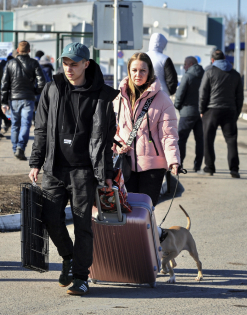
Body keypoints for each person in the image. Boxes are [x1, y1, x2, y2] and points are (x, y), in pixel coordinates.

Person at [29, 42, 118, 296]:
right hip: (54, 168)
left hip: (84, 171)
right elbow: (41, 129)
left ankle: (81, 277)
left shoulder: (101, 96)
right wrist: (36, 161)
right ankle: (68, 257)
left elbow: (105, 140)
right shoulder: (52, 89)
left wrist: (107, 174)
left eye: (75, 64)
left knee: (82, 225)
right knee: (49, 218)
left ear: (86, 64)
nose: (69, 68)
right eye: (66, 63)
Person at [114, 52, 180, 206]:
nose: (138, 74)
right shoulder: (119, 97)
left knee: (145, 210)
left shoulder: (162, 99)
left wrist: (173, 161)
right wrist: (119, 144)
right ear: (129, 71)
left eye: (143, 70)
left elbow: (168, 135)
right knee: (127, 210)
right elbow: (113, 129)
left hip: (153, 167)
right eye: (134, 70)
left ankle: (150, 231)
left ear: (149, 71)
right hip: (126, 164)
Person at [198, 50, 243, 178]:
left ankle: (209, 168)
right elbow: (240, 96)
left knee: (208, 139)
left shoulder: (209, 72)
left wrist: (201, 110)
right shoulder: (235, 74)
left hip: (211, 110)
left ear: (212, 60)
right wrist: (236, 112)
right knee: (231, 140)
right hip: (230, 111)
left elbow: (203, 93)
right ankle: (234, 169)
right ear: (225, 59)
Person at [1, 41, 46, 160]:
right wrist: (35, 91)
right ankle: (21, 147)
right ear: (29, 51)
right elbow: (42, 82)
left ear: (18, 50)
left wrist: (4, 102)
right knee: (26, 124)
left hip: (14, 98)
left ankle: (15, 148)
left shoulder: (10, 63)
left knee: (15, 124)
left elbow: (4, 84)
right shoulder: (34, 63)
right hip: (28, 98)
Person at [174, 56, 204, 172]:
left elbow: (180, 94)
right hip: (201, 113)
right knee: (200, 140)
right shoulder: (205, 75)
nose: (184, 66)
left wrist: (177, 106)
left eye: (185, 64)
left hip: (187, 113)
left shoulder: (188, 76)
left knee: (181, 139)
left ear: (190, 64)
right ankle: (197, 166)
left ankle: (179, 165)